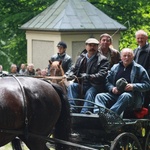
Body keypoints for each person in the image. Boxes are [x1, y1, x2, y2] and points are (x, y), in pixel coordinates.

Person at [94, 48, 150, 116]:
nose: (127, 58)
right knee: (99, 96)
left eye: (129, 56)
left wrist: (133, 86)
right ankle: (99, 115)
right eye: (124, 55)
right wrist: (112, 89)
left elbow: (147, 85)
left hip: (131, 97)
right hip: (115, 95)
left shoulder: (139, 68)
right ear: (121, 57)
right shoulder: (115, 67)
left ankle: (110, 116)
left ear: (133, 57)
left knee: (125, 95)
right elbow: (107, 82)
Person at [67, 38, 109, 113]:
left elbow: (102, 74)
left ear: (97, 47)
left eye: (94, 45)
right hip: (81, 84)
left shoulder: (103, 59)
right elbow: (73, 68)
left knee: (90, 92)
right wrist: (69, 74)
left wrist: (89, 76)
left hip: (95, 85)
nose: (92, 47)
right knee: (72, 86)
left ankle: (85, 112)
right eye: (90, 45)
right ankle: (72, 108)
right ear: (86, 46)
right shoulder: (81, 58)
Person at [134, 30, 150, 108]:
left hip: (146, 78)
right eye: (138, 38)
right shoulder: (135, 50)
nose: (140, 40)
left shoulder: (149, 50)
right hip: (137, 79)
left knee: (146, 99)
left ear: (146, 38)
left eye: (142, 38)